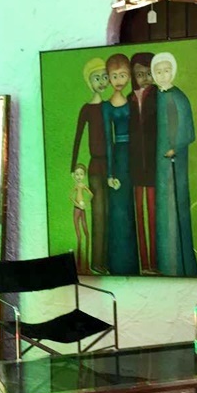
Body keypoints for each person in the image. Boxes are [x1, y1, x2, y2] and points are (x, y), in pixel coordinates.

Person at [151, 52, 197, 277]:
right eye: (158, 71)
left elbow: (188, 129)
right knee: (163, 210)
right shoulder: (155, 98)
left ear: (173, 71)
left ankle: (180, 266)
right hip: (160, 164)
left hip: (174, 161)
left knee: (176, 207)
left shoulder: (179, 97)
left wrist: (175, 146)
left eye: (166, 70)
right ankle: (166, 264)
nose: (163, 75)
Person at [70, 58, 110, 273]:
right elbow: (78, 136)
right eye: (97, 78)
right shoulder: (87, 109)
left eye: (105, 77)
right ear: (89, 82)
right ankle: (97, 262)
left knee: (110, 212)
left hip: (111, 165)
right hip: (95, 165)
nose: (102, 81)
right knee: (98, 212)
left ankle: (107, 260)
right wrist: (72, 166)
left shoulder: (109, 106)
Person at [102, 54, 139, 275]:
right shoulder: (106, 107)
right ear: (108, 77)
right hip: (118, 159)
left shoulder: (133, 102)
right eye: (114, 76)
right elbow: (108, 140)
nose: (118, 80)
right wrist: (109, 173)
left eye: (123, 75)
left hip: (134, 157)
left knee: (132, 210)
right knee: (118, 212)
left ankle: (133, 264)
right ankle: (117, 263)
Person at [127, 52, 158, 273]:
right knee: (138, 213)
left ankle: (155, 262)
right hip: (136, 163)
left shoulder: (158, 96)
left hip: (154, 163)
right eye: (139, 74)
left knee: (153, 213)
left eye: (149, 73)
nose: (144, 78)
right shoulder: (129, 99)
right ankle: (144, 264)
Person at [69, 163, 93, 273]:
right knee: (79, 236)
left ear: (84, 175)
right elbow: (71, 197)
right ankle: (78, 264)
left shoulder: (83, 186)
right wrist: (78, 205)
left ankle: (86, 263)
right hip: (76, 210)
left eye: (81, 174)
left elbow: (91, 195)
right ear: (74, 175)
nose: (79, 176)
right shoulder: (76, 186)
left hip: (82, 209)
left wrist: (85, 204)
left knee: (87, 234)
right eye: (77, 174)